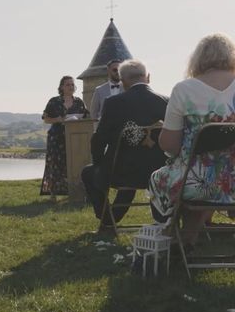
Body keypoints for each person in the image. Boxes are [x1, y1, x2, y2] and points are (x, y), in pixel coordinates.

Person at [151, 33, 235, 246]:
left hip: (197, 182)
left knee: (161, 178)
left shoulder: (184, 90)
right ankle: (190, 235)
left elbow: (169, 145)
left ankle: (182, 238)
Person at [81, 59, 168, 234]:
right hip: (160, 173)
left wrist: (100, 164)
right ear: (148, 78)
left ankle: (107, 221)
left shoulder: (113, 103)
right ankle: (161, 221)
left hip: (121, 172)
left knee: (88, 173)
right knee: (131, 172)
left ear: (123, 82)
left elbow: (99, 140)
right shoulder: (167, 101)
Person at [40, 76, 89, 201]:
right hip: (56, 138)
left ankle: (75, 192)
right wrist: (58, 119)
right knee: (55, 164)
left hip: (74, 138)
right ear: (61, 87)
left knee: (73, 164)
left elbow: (86, 117)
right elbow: (45, 119)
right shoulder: (54, 101)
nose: (71, 87)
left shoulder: (79, 102)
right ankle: (53, 195)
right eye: (68, 85)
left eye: (72, 85)